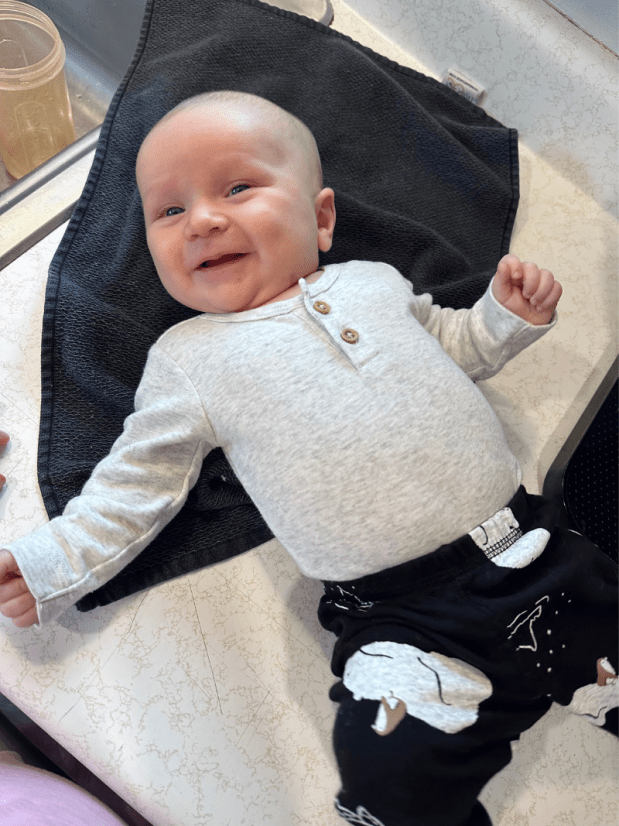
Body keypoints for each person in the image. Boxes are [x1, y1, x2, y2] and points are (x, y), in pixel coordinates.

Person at [0, 91, 616, 826]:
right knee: (386, 775)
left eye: (237, 188)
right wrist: (51, 564)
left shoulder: (375, 282)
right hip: (403, 627)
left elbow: (455, 349)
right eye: (169, 211)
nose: (202, 220)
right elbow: (135, 484)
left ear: (321, 219)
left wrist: (504, 318)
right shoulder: (187, 359)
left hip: (532, 549)